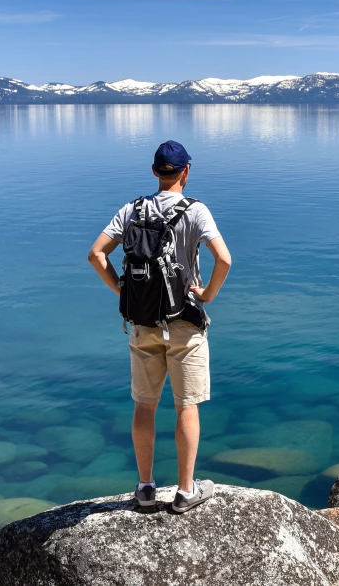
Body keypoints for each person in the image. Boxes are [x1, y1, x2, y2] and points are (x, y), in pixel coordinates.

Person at [87, 140, 232, 512]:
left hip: (142, 323)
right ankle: (185, 491)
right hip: (184, 323)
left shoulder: (132, 210)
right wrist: (208, 294)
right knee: (187, 406)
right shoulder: (196, 211)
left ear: (154, 171)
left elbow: (96, 254)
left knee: (144, 406)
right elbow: (224, 259)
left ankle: (146, 488)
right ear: (187, 171)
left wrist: (121, 290)